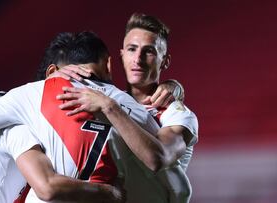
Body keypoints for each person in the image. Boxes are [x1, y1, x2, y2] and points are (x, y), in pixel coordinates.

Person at [0, 31, 161, 202]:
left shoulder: (25, 97)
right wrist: (110, 192)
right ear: (109, 64)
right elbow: (164, 154)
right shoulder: (128, 105)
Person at [55, 13, 198, 203]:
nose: (138, 59)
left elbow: (158, 158)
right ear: (121, 56)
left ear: (165, 61)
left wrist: (109, 107)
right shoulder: (101, 98)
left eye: (149, 51)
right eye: (132, 49)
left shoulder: (177, 115)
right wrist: (59, 74)